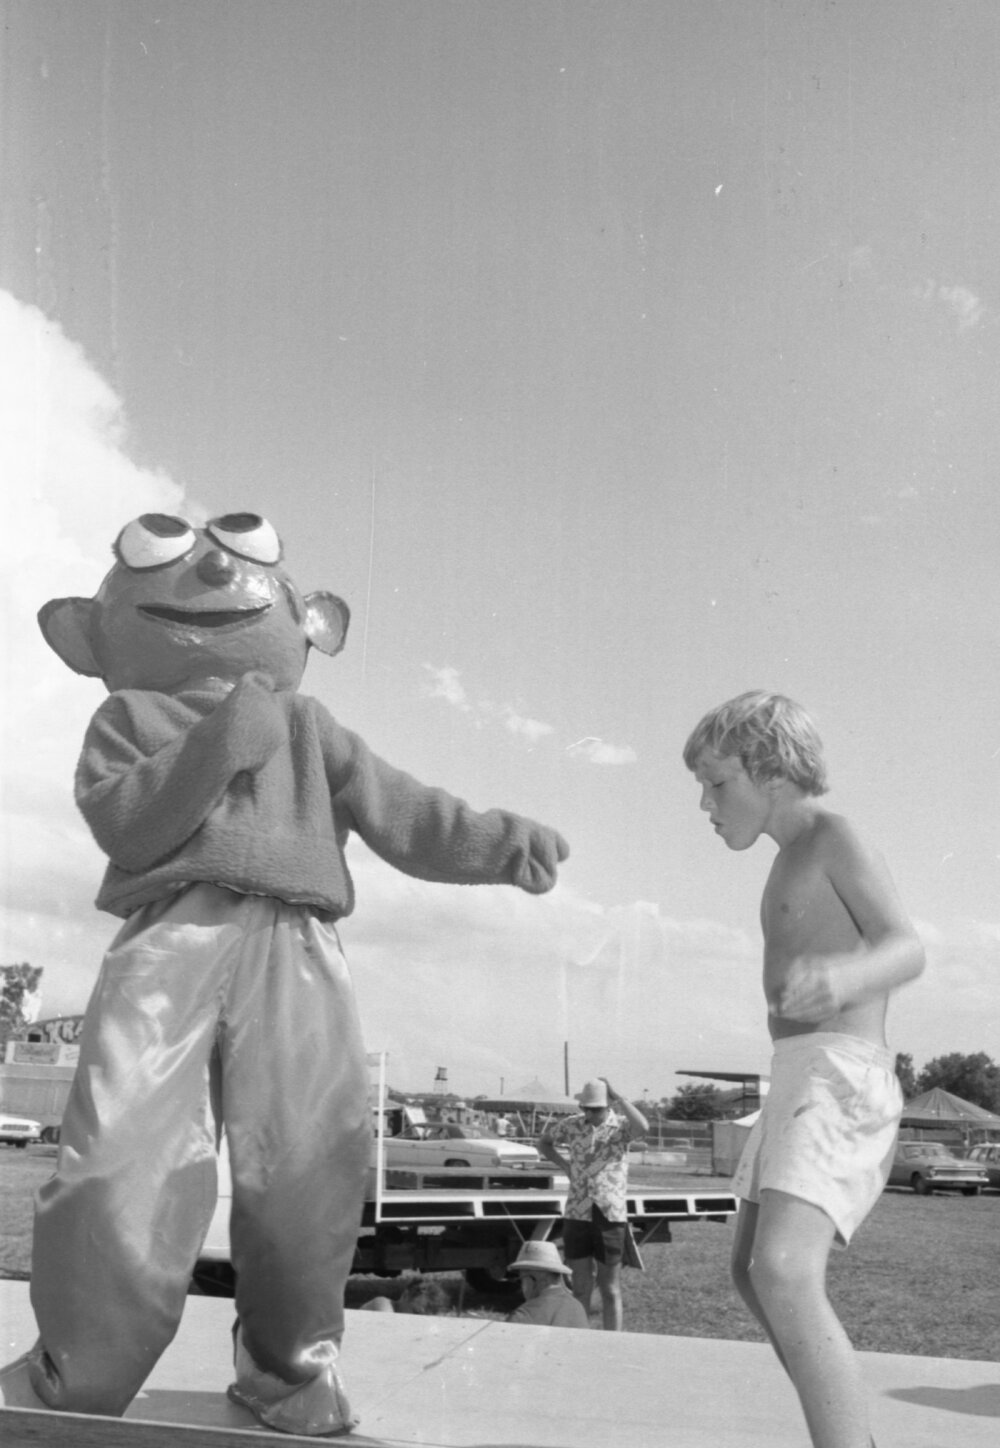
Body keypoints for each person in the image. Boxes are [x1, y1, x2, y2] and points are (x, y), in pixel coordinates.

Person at [12, 511, 568, 1437]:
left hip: (298, 949)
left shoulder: (312, 726)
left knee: (309, 1166)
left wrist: (502, 842)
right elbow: (128, 826)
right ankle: (80, 1373)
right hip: (167, 939)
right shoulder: (126, 717)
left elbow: (405, 812)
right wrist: (221, 738)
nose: (212, 572)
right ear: (91, 636)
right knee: (120, 1158)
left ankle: (288, 1374)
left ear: (309, 622)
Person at [683, 690, 924, 1448]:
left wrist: (845, 981)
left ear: (769, 770)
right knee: (752, 1273)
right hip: (796, 1072)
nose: (705, 803)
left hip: (838, 1069)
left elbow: (906, 946)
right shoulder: (787, 859)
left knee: (785, 1268)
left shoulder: (833, 837)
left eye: (718, 783)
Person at [538, 1077, 647, 1330]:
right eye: (586, 1107)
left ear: (609, 1105)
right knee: (580, 1287)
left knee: (610, 1288)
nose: (590, 1113)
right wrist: (564, 1165)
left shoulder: (621, 1127)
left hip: (609, 1214)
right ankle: (580, 1338)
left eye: (596, 1108)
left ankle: (612, 1341)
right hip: (577, 1212)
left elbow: (643, 1127)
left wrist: (618, 1095)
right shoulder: (571, 1125)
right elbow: (544, 1142)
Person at [505, 1240, 588, 1328]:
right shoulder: (578, 1307)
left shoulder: (522, 1317)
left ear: (534, 1279)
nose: (521, 1286)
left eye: (521, 1279)